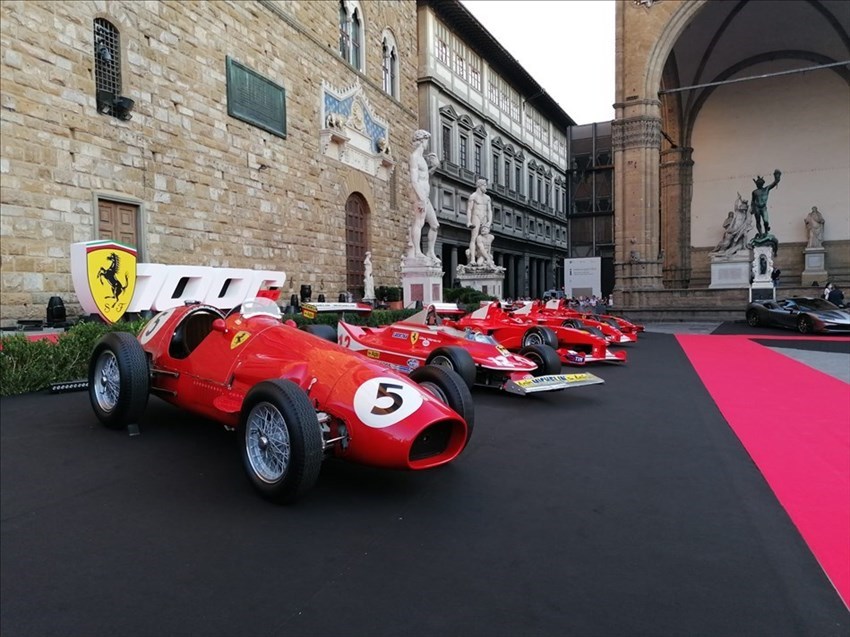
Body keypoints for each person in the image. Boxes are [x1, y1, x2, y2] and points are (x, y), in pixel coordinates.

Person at [408, 129, 440, 263]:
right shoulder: (414, 157)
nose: (427, 143)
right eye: (426, 140)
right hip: (419, 196)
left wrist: (435, 166)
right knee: (419, 222)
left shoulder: (422, 158)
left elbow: (425, 176)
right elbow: (414, 180)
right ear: (422, 141)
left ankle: (430, 252)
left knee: (434, 225)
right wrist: (420, 198)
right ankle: (417, 252)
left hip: (425, 197)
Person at [467, 179, 493, 265]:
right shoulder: (473, 196)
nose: (486, 187)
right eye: (485, 185)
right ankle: (473, 259)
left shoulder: (487, 198)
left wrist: (490, 221)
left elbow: (489, 210)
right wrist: (468, 221)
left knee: (485, 237)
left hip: (484, 217)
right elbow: (469, 209)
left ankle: (486, 256)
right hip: (476, 217)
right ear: (479, 185)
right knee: (474, 238)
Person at [750, 169, 781, 236]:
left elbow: (775, 182)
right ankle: (761, 233)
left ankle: (766, 232)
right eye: (758, 183)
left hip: (763, 208)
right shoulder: (754, 192)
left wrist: (777, 176)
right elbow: (752, 201)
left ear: (762, 184)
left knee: (766, 221)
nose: (759, 184)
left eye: (760, 183)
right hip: (757, 208)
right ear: (756, 184)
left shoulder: (766, 189)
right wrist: (752, 209)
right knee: (758, 221)